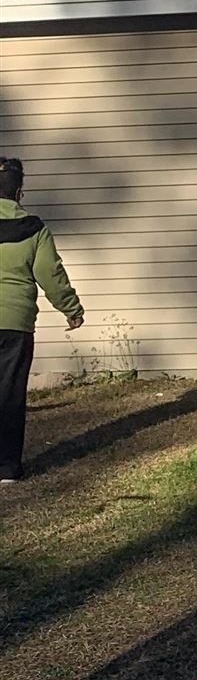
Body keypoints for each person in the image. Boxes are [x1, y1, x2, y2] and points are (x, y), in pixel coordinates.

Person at [0, 157, 84, 483]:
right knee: (10, 394)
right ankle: (6, 468)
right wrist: (71, 308)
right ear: (20, 192)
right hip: (16, 324)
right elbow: (50, 273)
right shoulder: (35, 229)